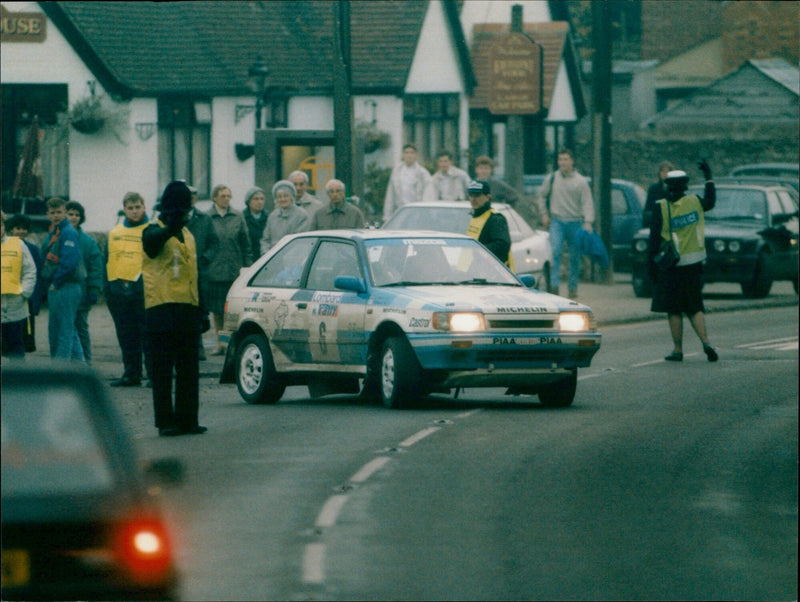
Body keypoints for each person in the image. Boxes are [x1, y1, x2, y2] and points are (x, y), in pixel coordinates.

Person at [142, 181, 207, 436]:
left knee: (189, 369)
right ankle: (165, 422)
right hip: (160, 308)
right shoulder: (152, 230)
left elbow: (194, 273)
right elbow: (152, 245)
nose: (187, 215)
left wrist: (202, 310)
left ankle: (188, 420)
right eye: (184, 210)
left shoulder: (189, 235)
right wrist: (171, 225)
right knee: (162, 370)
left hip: (187, 308)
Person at [649, 161, 718, 363]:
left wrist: (651, 266)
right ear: (685, 186)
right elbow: (711, 201)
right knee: (695, 306)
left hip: (672, 265)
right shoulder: (695, 202)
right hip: (694, 263)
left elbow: (654, 240)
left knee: (674, 309)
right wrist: (709, 177)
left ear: (668, 186)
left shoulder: (660, 207)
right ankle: (706, 343)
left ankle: (678, 350)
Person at [105, 192, 152, 386]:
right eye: (130, 208)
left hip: (143, 290)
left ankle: (153, 375)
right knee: (126, 334)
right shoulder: (115, 232)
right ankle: (131, 374)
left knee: (148, 335)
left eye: (137, 207)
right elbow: (108, 260)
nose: (134, 211)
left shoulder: (151, 230)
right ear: (124, 209)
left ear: (144, 207)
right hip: (119, 291)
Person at [536, 148, 595, 299]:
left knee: (575, 257)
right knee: (555, 251)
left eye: (566, 159)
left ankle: (572, 287)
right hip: (557, 221)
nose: (563, 163)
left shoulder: (580, 181)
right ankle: (554, 286)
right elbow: (541, 196)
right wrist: (544, 214)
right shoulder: (552, 178)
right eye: (560, 159)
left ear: (572, 161)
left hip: (575, 222)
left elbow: (587, 202)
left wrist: (588, 222)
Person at [207, 184, 253, 355]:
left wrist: (247, 266)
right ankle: (220, 342)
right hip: (215, 270)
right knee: (217, 311)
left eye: (228, 196)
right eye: (222, 196)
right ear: (214, 198)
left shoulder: (237, 216)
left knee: (231, 311)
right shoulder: (208, 217)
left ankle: (229, 343)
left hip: (234, 269)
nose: (226, 199)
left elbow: (245, 243)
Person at [40, 197, 86, 360]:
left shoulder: (67, 232)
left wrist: (56, 282)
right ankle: (80, 369)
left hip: (66, 285)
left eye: (59, 212)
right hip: (61, 285)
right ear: (47, 214)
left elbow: (70, 262)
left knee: (63, 330)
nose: (56, 215)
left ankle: (61, 369)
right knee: (70, 330)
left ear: (65, 212)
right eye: (53, 213)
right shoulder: (56, 231)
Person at [65, 201, 103, 363]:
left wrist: (94, 290)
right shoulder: (56, 237)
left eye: (77, 215)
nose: (73, 217)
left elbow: (96, 267)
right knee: (65, 330)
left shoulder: (88, 242)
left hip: (82, 293)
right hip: (62, 292)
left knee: (81, 328)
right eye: (70, 214)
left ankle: (86, 362)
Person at [185, 186, 218, 361]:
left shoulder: (204, 219)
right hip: (180, 272)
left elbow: (214, 243)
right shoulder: (175, 219)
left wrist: (204, 259)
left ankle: (198, 347)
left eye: (193, 196)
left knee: (199, 310)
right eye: (187, 196)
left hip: (199, 272)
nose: (190, 199)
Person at [1, 211, 37, 358]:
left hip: (15, 304)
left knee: (15, 344)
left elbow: (29, 270)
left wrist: (24, 292)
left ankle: (16, 379)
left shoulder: (18, 244)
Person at [465, 179, 513, 268]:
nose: (473, 199)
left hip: (492, 274)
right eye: (471, 195)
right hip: (471, 272)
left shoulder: (496, 219)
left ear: (487, 197)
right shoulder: (473, 217)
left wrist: (477, 250)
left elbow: (502, 245)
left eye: (477, 195)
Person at [382, 143, 433, 221]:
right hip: (400, 211)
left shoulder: (423, 173)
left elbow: (428, 196)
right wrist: (387, 215)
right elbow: (390, 195)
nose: (409, 155)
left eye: (412, 153)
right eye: (407, 153)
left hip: (417, 212)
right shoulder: (397, 172)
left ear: (416, 155)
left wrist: (424, 214)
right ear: (403, 155)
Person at [260, 180, 310, 254]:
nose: (282, 199)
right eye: (279, 197)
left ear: (292, 197)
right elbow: (265, 239)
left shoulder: (301, 215)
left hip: (294, 257)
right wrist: (266, 254)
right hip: (272, 258)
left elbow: (300, 241)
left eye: (286, 196)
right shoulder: (272, 216)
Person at [643, 160, 675, 229]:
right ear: (659, 173)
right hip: (657, 224)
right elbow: (648, 208)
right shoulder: (653, 189)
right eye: (663, 171)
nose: (665, 174)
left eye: (667, 171)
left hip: (673, 224)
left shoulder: (676, 189)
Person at [242, 187, 268, 261]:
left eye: (262, 199)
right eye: (256, 199)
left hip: (265, 258)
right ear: (248, 201)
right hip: (248, 259)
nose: (259, 202)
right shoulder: (242, 218)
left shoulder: (269, 217)